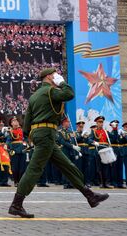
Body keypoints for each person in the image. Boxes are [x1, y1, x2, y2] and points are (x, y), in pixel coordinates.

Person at [8, 68, 109, 218]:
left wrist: (31, 137)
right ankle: (16, 204)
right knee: (35, 169)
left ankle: (89, 195)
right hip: (46, 133)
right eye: (54, 75)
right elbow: (69, 94)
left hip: (41, 134)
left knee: (66, 165)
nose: (57, 76)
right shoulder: (50, 91)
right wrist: (62, 83)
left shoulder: (34, 96)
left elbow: (27, 122)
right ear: (49, 77)